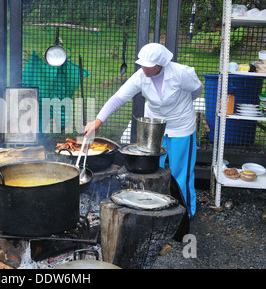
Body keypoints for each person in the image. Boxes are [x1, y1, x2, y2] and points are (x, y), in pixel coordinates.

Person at [84, 43, 203, 218]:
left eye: (148, 66)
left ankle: (186, 212)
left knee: (181, 172)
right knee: (154, 170)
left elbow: (197, 89)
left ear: (159, 65)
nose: (144, 68)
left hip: (181, 125)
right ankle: (156, 210)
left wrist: (180, 106)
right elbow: (118, 98)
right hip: (155, 127)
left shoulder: (181, 73)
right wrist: (98, 120)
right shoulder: (140, 76)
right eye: (142, 64)